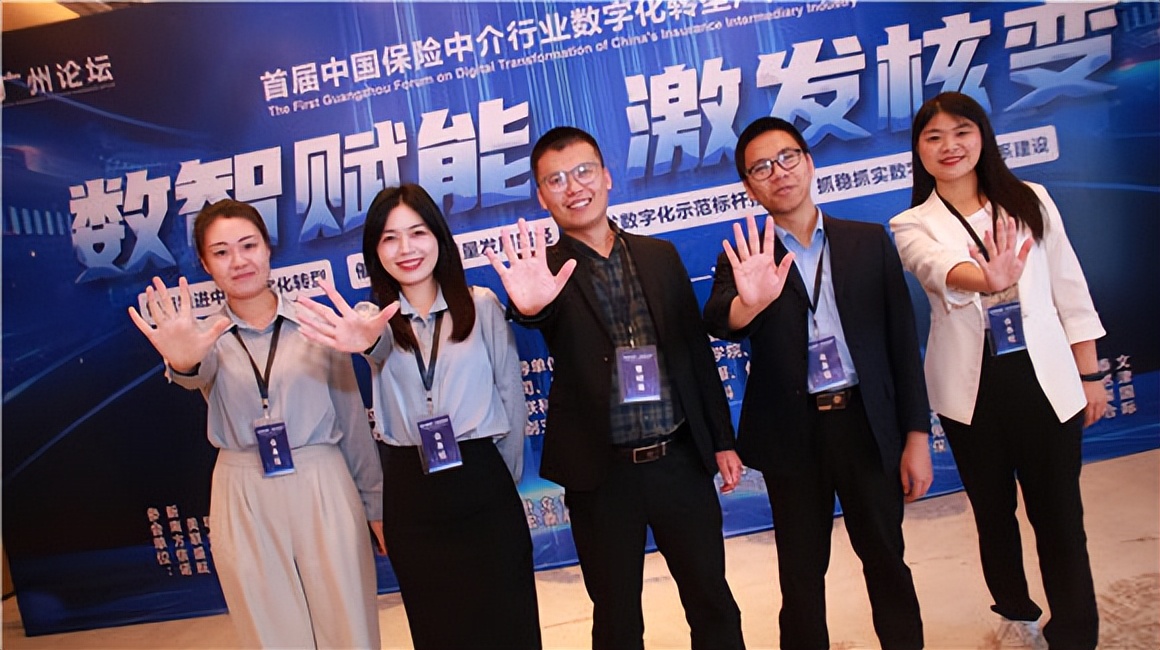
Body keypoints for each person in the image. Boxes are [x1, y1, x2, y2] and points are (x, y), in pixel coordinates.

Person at [485, 126, 745, 650]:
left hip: (678, 460)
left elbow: (695, 354)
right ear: (542, 196)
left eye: (583, 171)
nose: (573, 187)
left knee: (712, 601)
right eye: (556, 180)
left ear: (606, 177)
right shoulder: (543, 271)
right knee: (616, 618)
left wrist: (722, 440)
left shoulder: (658, 255)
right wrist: (529, 310)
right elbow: (534, 313)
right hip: (601, 476)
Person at [703, 117, 931, 650]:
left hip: (866, 425)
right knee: (801, 575)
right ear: (748, 186)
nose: (778, 173)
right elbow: (718, 319)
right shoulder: (747, 256)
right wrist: (749, 302)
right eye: (761, 168)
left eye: (787, 158)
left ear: (808, 163)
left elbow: (903, 345)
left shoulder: (867, 241)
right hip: (793, 434)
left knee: (887, 560)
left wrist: (917, 436)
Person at [890, 91, 1106, 649]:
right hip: (972, 392)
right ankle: (1016, 611)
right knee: (994, 513)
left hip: (1045, 380)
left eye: (961, 131)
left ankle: (1076, 632)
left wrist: (1089, 375)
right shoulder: (911, 223)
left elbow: (1069, 288)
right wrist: (985, 278)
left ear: (982, 136)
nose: (950, 146)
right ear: (919, 150)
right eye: (934, 137)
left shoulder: (1030, 199)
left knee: (1061, 516)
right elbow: (936, 268)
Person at [127, 199, 384, 649]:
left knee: (348, 624)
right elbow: (193, 373)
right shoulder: (201, 336)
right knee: (270, 631)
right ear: (205, 263)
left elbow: (351, 418)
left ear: (268, 248)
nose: (238, 260)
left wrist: (376, 507)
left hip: (322, 477)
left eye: (248, 245)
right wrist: (183, 362)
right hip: (243, 488)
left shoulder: (317, 322)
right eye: (221, 252)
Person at [294, 184, 541, 650]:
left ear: (439, 238)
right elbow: (375, 346)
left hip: (483, 479)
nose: (405, 249)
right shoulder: (371, 320)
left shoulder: (481, 306)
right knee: (438, 629)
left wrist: (502, 480)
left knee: (508, 623)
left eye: (417, 232)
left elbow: (511, 397)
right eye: (389, 238)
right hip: (412, 489)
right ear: (375, 251)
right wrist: (365, 341)